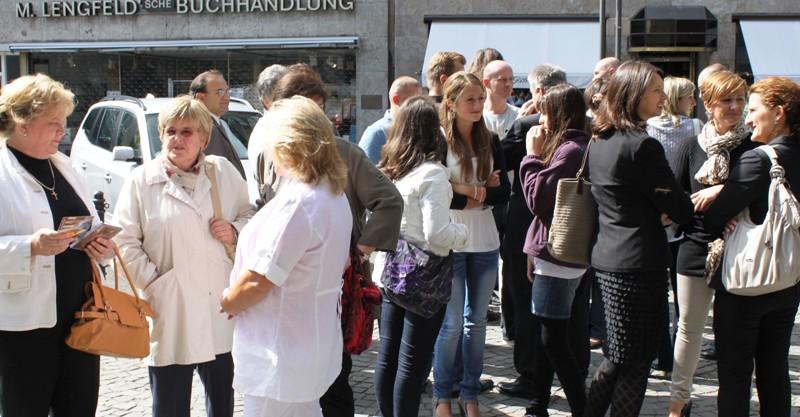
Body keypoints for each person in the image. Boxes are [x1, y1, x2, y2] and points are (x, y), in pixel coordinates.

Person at [253, 63, 404, 417]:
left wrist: (359, 250)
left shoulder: (344, 154)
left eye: (319, 109)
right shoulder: (268, 154)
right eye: (306, 110)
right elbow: (261, 211)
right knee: (286, 375)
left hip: (333, 285)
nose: (315, 119)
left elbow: (389, 201)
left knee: (333, 376)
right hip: (283, 286)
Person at [113, 95, 256, 417]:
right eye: (170, 131)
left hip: (218, 302)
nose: (177, 139)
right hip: (170, 305)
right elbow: (124, 240)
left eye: (187, 132)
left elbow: (251, 216)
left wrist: (234, 229)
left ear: (204, 138)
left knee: (222, 399)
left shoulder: (222, 173)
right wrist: (154, 282)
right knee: (169, 401)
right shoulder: (142, 180)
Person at [219, 96, 352, 417]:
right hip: (307, 344)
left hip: (281, 349)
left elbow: (260, 280)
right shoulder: (332, 195)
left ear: (286, 144)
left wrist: (228, 301)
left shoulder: (301, 203)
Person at [0, 73, 114, 417]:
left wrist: (100, 245)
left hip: (80, 316)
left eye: (63, 122)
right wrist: (29, 246)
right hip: (24, 326)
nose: (61, 131)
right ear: (22, 123)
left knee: (79, 407)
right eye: (53, 123)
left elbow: (89, 222)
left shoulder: (64, 167)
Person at [584, 61, 693, 417]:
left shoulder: (600, 139)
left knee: (618, 357)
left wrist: (658, 207)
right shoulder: (643, 145)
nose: (663, 98)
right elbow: (679, 205)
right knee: (635, 360)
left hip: (609, 257)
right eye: (656, 91)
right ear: (633, 95)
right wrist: (665, 209)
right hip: (639, 263)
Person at [703, 76, 800, 417]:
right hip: (788, 280)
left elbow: (714, 219)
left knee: (734, 374)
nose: (746, 118)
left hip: (746, 284)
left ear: (779, 112)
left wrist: (719, 195)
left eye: (754, 109)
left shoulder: (759, 160)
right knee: (775, 371)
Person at [371, 96, 469, 417]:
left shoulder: (393, 168)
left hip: (391, 270)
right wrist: (463, 232)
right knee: (411, 366)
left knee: (388, 357)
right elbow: (437, 233)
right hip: (423, 277)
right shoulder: (432, 174)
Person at [665, 70, 755, 417]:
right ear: (708, 104)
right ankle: (677, 405)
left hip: (741, 250)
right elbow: (676, 201)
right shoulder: (691, 145)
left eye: (739, 100)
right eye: (726, 100)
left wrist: (724, 192)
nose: (734, 107)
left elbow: (760, 195)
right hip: (695, 246)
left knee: (733, 336)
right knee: (688, 329)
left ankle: (732, 405)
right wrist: (700, 207)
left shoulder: (753, 147)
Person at [498, 64, 578, 401]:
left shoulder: (531, 128)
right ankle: (545, 392)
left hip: (538, 235)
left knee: (536, 313)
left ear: (542, 95)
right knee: (561, 317)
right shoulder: (587, 137)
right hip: (569, 239)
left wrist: (530, 153)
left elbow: (499, 161)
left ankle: (533, 378)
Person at [432, 71, 510, 417]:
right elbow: (436, 195)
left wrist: (462, 188)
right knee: (450, 326)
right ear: (451, 102)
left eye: (480, 98)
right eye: (470, 99)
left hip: (485, 240)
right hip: (450, 241)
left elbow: (504, 192)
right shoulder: (438, 140)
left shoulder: (490, 139)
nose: (478, 105)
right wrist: (475, 191)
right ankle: (442, 396)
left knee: (476, 324)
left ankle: (470, 392)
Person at [518, 84, 590, 417]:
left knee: (553, 339)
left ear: (558, 113)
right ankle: (538, 405)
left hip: (558, 256)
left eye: (544, 111)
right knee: (553, 333)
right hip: (558, 253)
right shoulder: (577, 145)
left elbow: (537, 199)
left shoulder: (570, 150)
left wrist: (531, 156)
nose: (540, 119)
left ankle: (581, 407)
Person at [645, 75, 702, 380]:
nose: (694, 103)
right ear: (677, 97)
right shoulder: (690, 128)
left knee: (670, 298)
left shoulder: (691, 127)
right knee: (672, 299)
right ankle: (672, 359)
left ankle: (669, 359)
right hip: (671, 218)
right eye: (690, 97)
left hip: (670, 217)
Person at [190, 69, 246, 179]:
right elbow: (214, 175)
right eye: (219, 92)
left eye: (227, 91)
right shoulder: (206, 128)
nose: (226, 97)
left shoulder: (217, 123)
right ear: (201, 97)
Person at [359, 76, 423, 164]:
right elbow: (365, 172)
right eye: (413, 100)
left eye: (421, 100)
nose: (419, 105)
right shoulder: (377, 132)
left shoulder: (421, 129)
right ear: (396, 100)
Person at [482, 60, 519, 137]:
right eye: (502, 80)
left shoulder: (519, 116)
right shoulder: (476, 116)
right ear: (486, 83)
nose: (508, 84)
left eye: (511, 79)